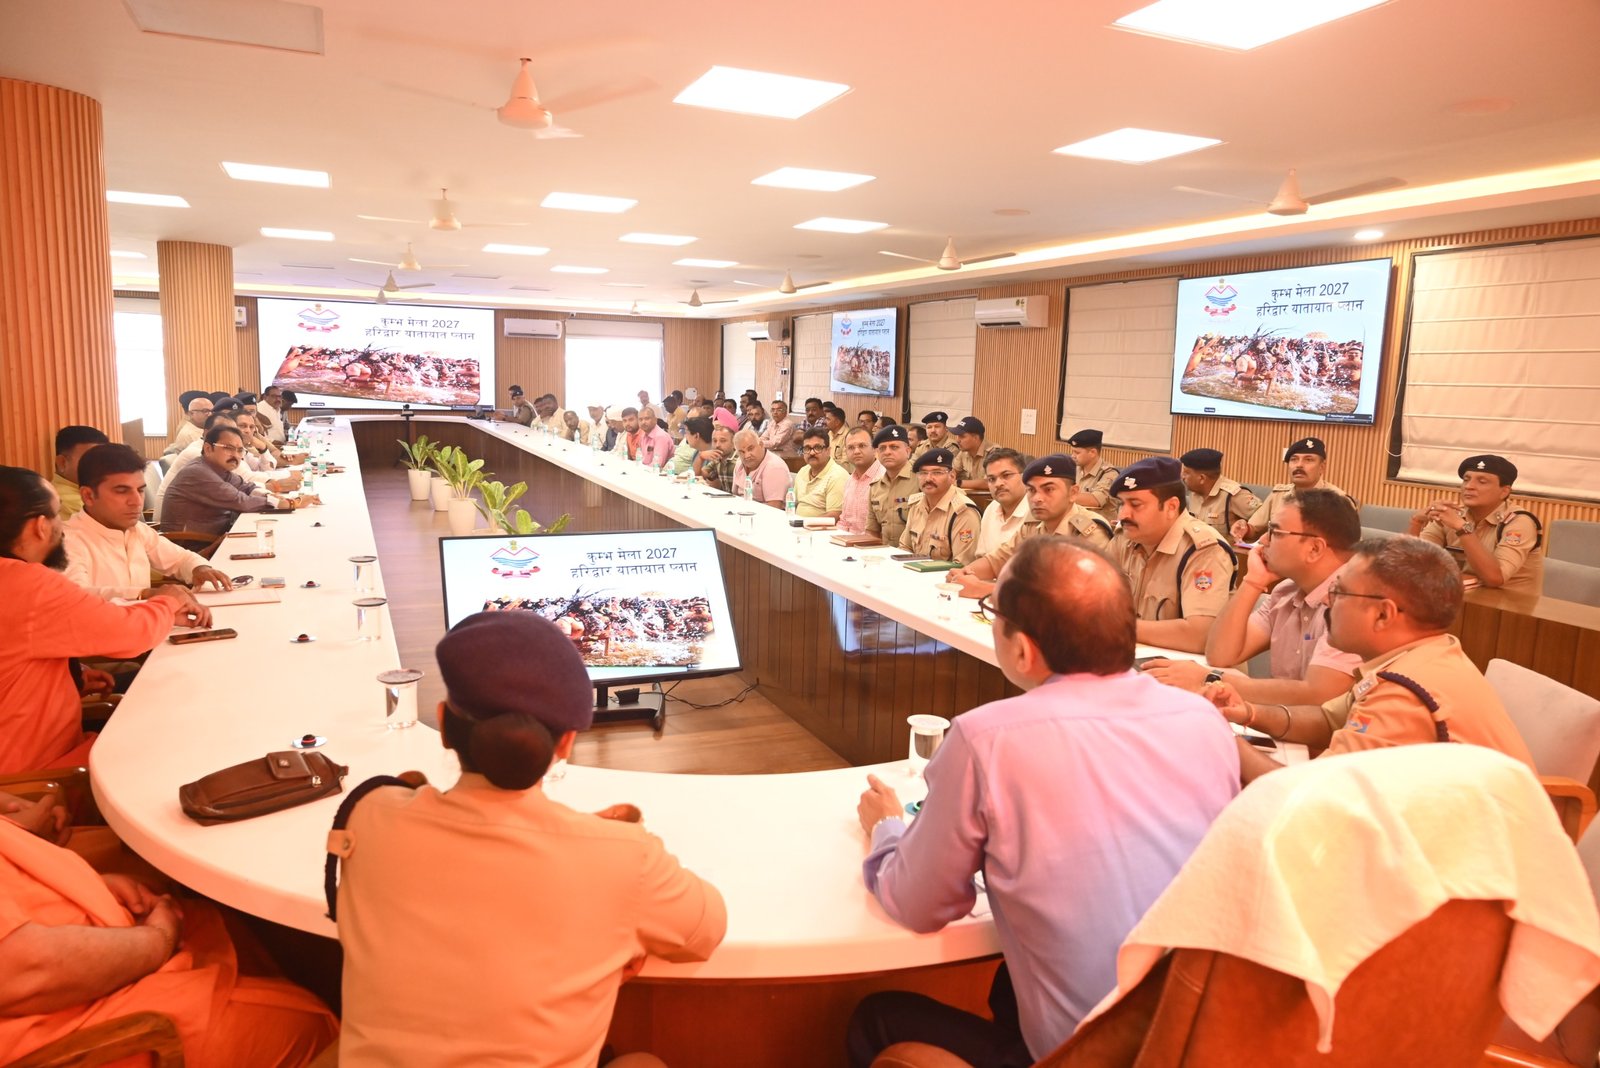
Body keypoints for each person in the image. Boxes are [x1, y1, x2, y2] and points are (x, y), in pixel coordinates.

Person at [846, 539, 1239, 1067]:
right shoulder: (1203, 721)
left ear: (1023, 651)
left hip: (1086, 1054)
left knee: (876, 1018)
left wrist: (888, 827)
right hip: (1199, 1037)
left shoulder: (988, 739)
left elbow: (918, 904)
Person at [333, 611, 725, 1067]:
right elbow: (705, 932)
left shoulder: (370, 814)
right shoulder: (623, 859)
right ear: (566, 743)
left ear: (442, 724)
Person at [0, 818, 338, 1066]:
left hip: (89, 957)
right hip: (84, 1030)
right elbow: (28, 968)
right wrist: (157, 940)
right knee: (308, 1026)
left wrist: (86, 884)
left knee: (223, 920)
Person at [1208, 537, 1536, 784]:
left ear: (1383, 615)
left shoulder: (1404, 695)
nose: (1328, 602)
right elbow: (1328, 720)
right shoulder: (1424, 654)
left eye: (1339, 593)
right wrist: (1249, 713)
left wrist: (1222, 741)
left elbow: (1311, 796)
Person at [0, 466, 203, 775]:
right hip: (39, 778)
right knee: (187, 739)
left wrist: (72, 676)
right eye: (57, 515)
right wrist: (169, 600)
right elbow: (128, 634)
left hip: (31, 757)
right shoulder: (26, 585)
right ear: (40, 526)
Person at [1143, 488, 1362, 705]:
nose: (1262, 541)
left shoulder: (1355, 601)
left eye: (1275, 532)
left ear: (1314, 549)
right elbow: (1221, 654)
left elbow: (1316, 696)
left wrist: (1209, 679)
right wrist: (1253, 581)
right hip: (1282, 719)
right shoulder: (1287, 592)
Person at [64, 444, 233, 600]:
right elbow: (76, 596)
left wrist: (199, 568)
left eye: (140, 490)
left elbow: (179, 558)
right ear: (88, 496)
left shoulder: (136, 529)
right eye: (122, 491)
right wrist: (144, 594)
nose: (136, 501)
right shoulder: (68, 541)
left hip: (147, 619)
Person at [1107, 455, 1236, 653]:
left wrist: (1117, 627)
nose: (1123, 514)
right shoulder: (1124, 539)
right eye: (1121, 504)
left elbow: (1200, 636)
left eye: (1135, 504)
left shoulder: (1204, 550)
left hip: (1195, 667)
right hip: (1136, 656)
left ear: (1171, 507)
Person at [949, 454, 1113, 599]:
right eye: (1032, 490)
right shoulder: (1033, 524)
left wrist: (983, 589)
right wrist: (965, 573)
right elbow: (1000, 559)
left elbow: (1069, 595)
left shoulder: (1089, 531)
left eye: (1048, 489)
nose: (1037, 499)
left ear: (1073, 493)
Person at [1410, 454, 1544, 593]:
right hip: (1459, 597)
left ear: (1504, 492)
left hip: (1509, 603)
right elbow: (1413, 565)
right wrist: (1416, 522)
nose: (1469, 486)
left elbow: (1494, 578)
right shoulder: (1454, 515)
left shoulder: (1519, 522)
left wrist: (1463, 528)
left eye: (1482, 482)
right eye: (1466, 480)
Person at [161, 426, 312, 536]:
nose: (236, 455)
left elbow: (247, 487)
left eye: (240, 450)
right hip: (195, 546)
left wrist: (272, 497)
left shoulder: (218, 468)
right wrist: (291, 503)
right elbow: (242, 502)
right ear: (208, 449)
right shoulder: (198, 472)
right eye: (228, 448)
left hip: (219, 535)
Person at [1232, 436, 1350, 543]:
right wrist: (1244, 528)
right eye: (1294, 459)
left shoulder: (1338, 501)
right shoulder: (1279, 495)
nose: (1299, 465)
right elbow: (1254, 528)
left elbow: (1345, 547)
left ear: (1322, 467)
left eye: (1308, 460)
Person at [898, 449, 982, 565]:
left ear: (952, 476)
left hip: (947, 576)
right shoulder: (916, 505)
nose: (928, 479)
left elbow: (962, 565)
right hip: (914, 572)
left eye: (937, 472)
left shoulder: (963, 511)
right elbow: (905, 548)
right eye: (923, 473)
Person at [1179, 447, 1261, 540]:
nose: (1182, 477)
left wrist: (1248, 529)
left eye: (1186, 473)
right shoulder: (1195, 493)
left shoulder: (1234, 495)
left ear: (1202, 478)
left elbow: (1265, 520)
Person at [866, 425, 919, 548]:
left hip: (915, 555)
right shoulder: (875, 487)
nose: (887, 452)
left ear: (908, 451)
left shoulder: (921, 480)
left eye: (894, 447)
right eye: (882, 448)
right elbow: (872, 531)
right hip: (885, 553)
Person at [975, 448, 1030, 558]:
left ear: (1024, 477)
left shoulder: (1035, 511)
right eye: (992, 479)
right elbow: (982, 556)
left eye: (1006, 475)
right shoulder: (991, 509)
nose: (998, 484)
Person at [51, 425, 111, 519]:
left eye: (104, 461)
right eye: (90, 460)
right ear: (62, 463)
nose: (101, 467)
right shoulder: (62, 501)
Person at [1065, 428, 1120, 524]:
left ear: (1092, 453)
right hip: (1076, 523)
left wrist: (1061, 497)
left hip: (1098, 527)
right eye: (1072, 452)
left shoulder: (1109, 474)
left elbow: (1095, 500)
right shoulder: (1074, 469)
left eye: (1077, 452)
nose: (1072, 456)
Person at [793, 428, 847, 520]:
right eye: (807, 448)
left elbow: (835, 515)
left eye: (817, 448)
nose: (812, 453)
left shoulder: (838, 476)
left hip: (820, 528)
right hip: (797, 524)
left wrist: (805, 523)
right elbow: (793, 504)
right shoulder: (803, 471)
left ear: (828, 451)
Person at [839, 427, 884, 535]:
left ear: (875, 449)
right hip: (847, 540)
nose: (856, 451)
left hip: (872, 542)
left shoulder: (884, 478)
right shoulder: (849, 481)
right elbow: (844, 522)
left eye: (862, 446)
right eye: (851, 447)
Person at [731, 428, 789, 507]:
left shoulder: (774, 467)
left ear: (761, 444)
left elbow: (774, 506)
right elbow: (734, 495)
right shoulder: (739, 464)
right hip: (741, 510)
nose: (747, 455)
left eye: (750, 449)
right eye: (742, 452)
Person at [164, 391, 213, 457]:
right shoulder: (189, 434)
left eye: (212, 411)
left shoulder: (200, 427)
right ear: (191, 413)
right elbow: (204, 457)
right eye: (205, 411)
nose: (210, 414)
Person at [949, 418, 989, 491]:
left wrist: (958, 483)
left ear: (976, 438)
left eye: (962, 436)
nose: (957, 440)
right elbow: (953, 471)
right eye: (957, 436)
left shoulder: (993, 453)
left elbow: (990, 482)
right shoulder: (963, 452)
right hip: (971, 495)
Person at [694, 424, 737, 490]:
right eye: (714, 441)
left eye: (723, 441)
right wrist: (700, 457)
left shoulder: (739, 460)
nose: (717, 445)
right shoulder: (717, 460)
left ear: (733, 442)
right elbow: (698, 476)